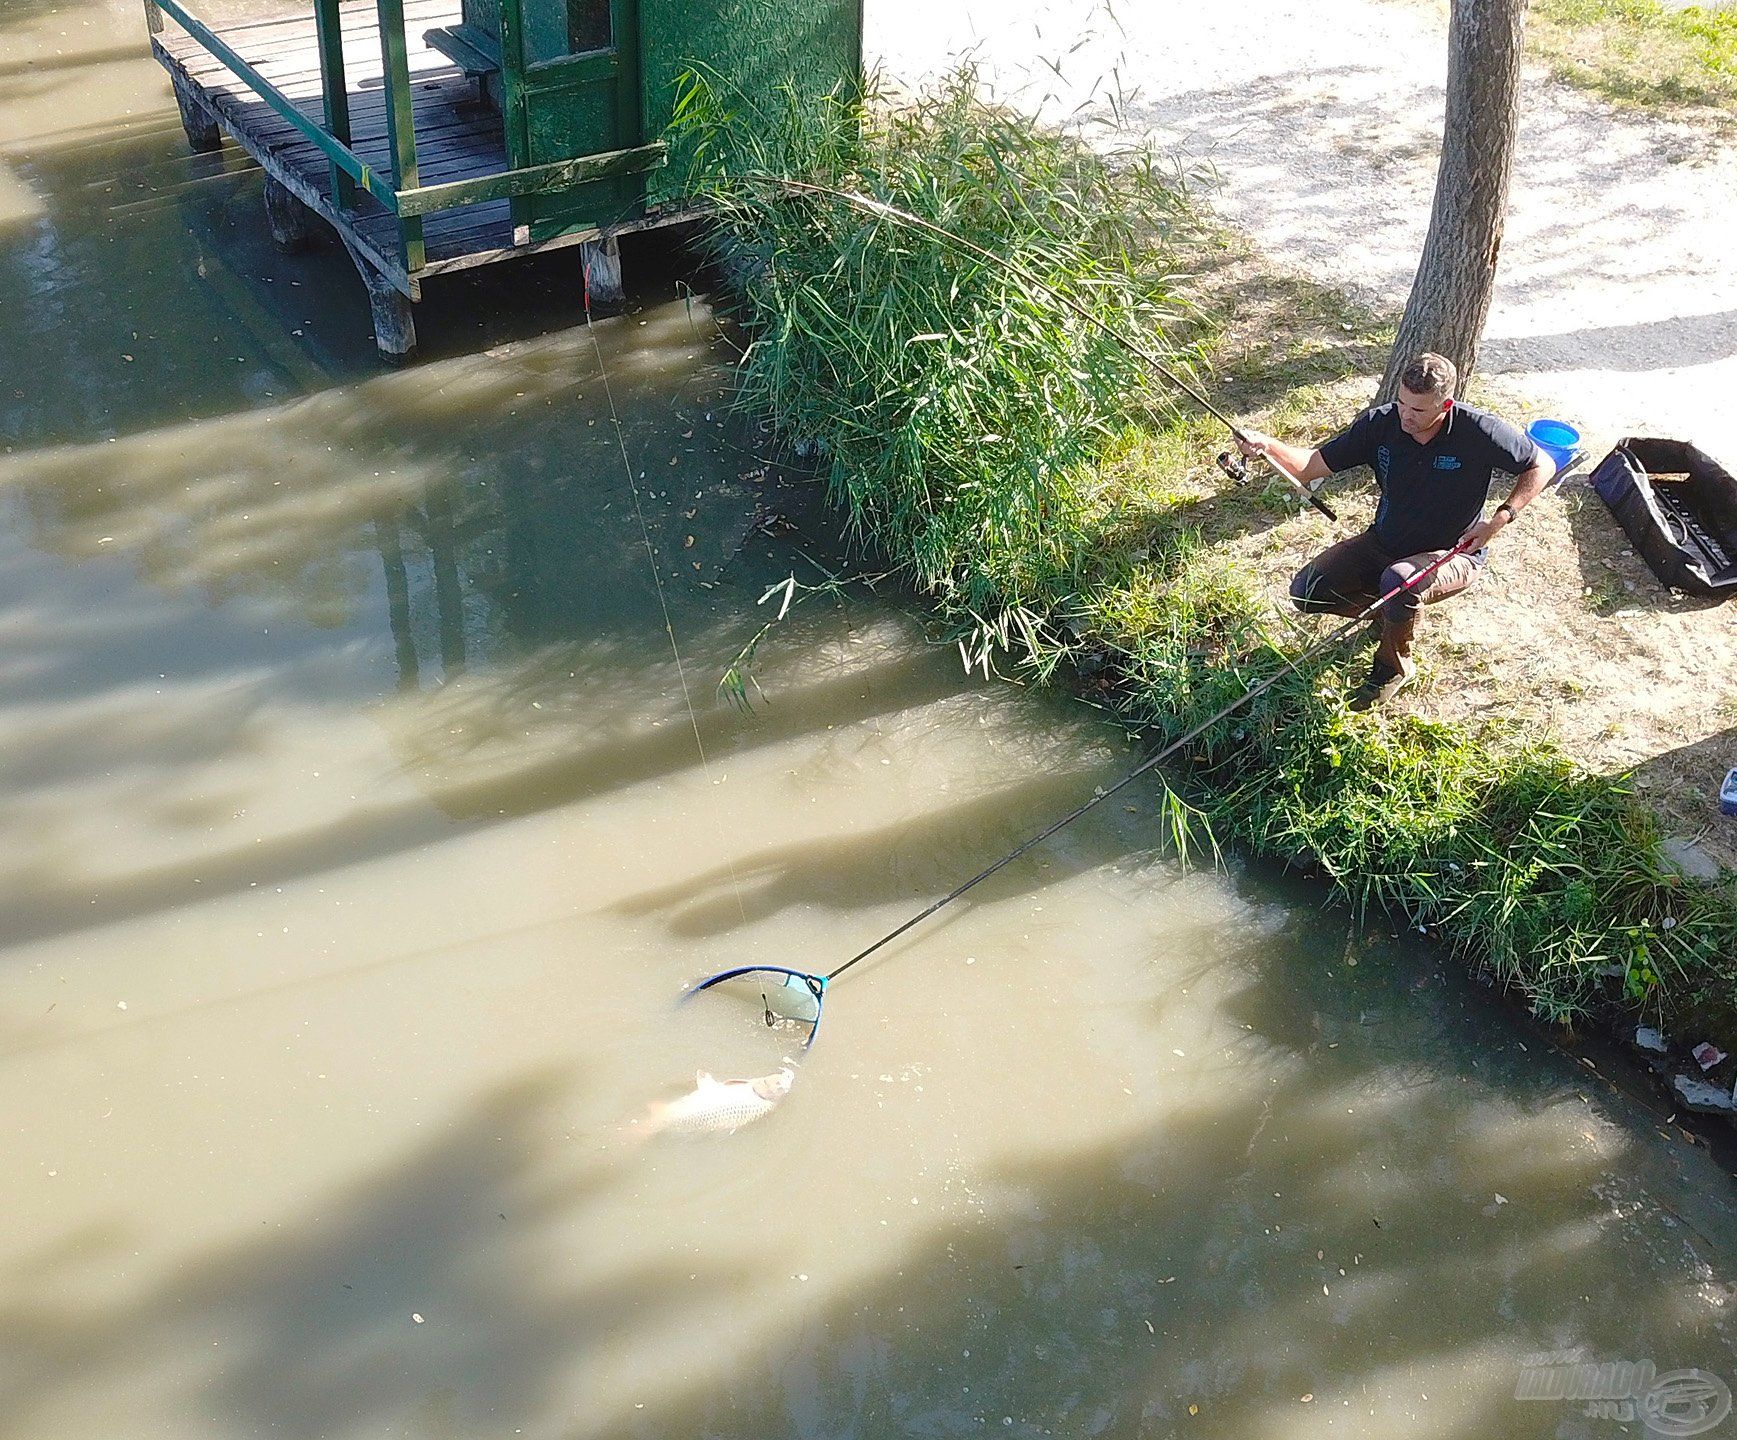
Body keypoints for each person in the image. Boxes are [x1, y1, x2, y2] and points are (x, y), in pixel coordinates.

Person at [1236, 352, 1556, 710]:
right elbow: (1310, 465)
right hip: (1383, 541)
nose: (1406, 415)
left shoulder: (1479, 430)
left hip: (1454, 554)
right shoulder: (1380, 424)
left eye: (1418, 410)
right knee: (1307, 592)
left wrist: (1502, 516)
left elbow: (1542, 463)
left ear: (1445, 405)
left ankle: (1393, 667)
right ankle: (1389, 616)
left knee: (1398, 580)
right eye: (1402, 402)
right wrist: (1266, 443)